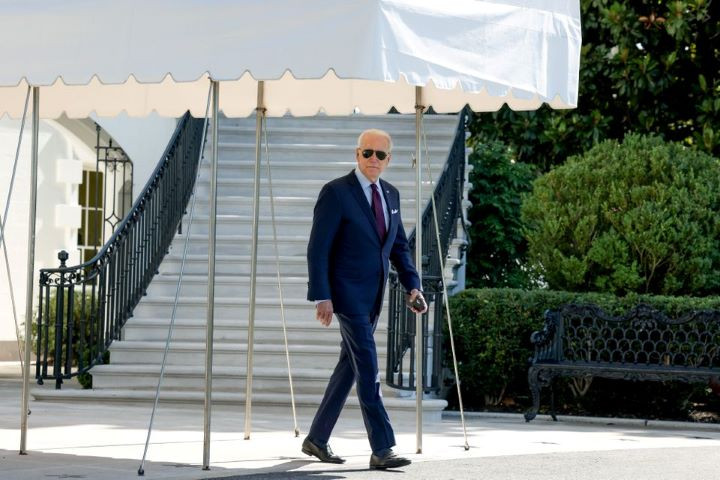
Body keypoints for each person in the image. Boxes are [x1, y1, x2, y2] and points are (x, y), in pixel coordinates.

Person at [302, 128, 427, 470]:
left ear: (389, 160)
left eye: (380, 155)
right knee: (368, 366)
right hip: (345, 296)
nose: (373, 159)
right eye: (367, 153)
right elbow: (318, 248)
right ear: (357, 155)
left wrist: (412, 286)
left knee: (349, 368)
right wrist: (322, 295)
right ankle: (382, 447)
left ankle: (316, 438)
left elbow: (399, 247)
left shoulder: (391, 195)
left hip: (374, 296)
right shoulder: (336, 193)